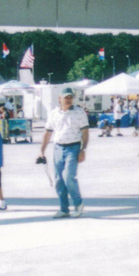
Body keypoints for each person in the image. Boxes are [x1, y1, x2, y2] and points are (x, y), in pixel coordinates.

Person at [40, 88, 89, 218]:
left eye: (70, 97)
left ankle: (78, 204)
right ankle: (64, 208)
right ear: (60, 99)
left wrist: (83, 150)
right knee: (58, 180)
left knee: (69, 177)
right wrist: (42, 151)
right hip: (58, 148)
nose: (68, 100)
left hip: (73, 147)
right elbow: (48, 132)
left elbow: (85, 132)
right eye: (66, 97)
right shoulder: (53, 113)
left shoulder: (79, 113)